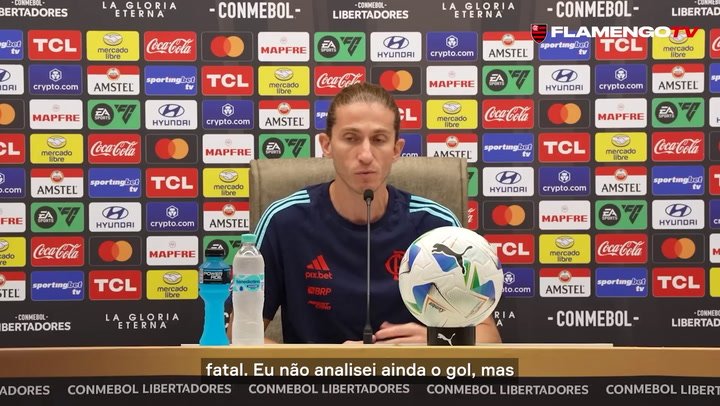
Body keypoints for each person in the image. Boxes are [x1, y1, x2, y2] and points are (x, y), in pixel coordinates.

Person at [252, 82, 500, 344]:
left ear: (396, 149)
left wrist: (437, 340)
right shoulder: (284, 221)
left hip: (412, 371)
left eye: (379, 140)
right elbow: (242, 333)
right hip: (313, 372)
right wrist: (326, 362)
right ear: (326, 145)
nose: (366, 155)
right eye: (351, 138)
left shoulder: (437, 226)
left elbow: (490, 336)